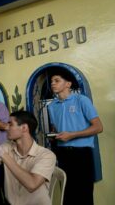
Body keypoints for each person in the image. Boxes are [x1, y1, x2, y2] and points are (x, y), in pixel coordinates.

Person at [47, 68, 103, 205]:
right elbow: (58, 127)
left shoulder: (81, 100)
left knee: (84, 194)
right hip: (62, 153)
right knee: (67, 193)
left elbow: (98, 127)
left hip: (82, 154)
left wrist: (72, 135)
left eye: (57, 80)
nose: (52, 83)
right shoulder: (52, 106)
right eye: (51, 81)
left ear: (68, 84)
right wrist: (55, 136)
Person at [0, 111, 56, 205]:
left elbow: (32, 184)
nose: (6, 128)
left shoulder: (46, 155)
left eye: (10, 124)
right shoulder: (7, 146)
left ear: (24, 128)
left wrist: (1, 153)